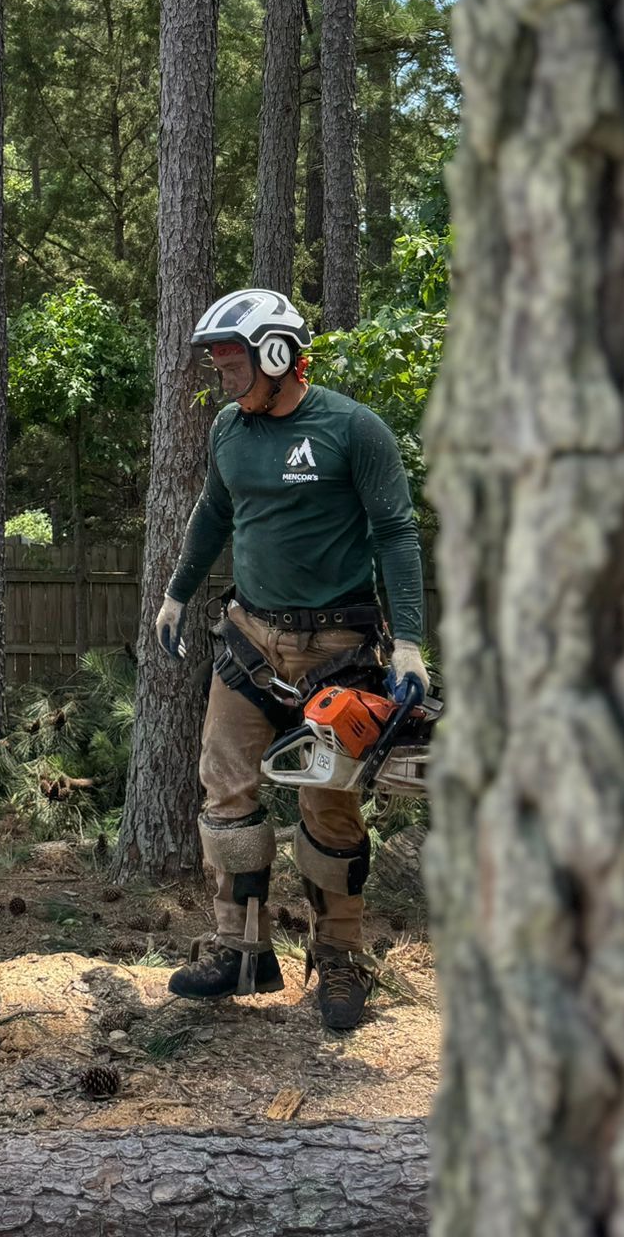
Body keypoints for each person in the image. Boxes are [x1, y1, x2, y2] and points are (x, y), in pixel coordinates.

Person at [154, 287, 428, 1032]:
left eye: (231, 357)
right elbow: (214, 512)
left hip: (338, 649)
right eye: (215, 359)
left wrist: (407, 642)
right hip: (249, 642)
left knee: (328, 806)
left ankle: (338, 958)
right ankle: (240, 951)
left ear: (278, 354)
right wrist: (177, 596)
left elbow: (396, 533)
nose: (220, 370)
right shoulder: (227, 431)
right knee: (225, 792)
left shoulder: (352, 428)